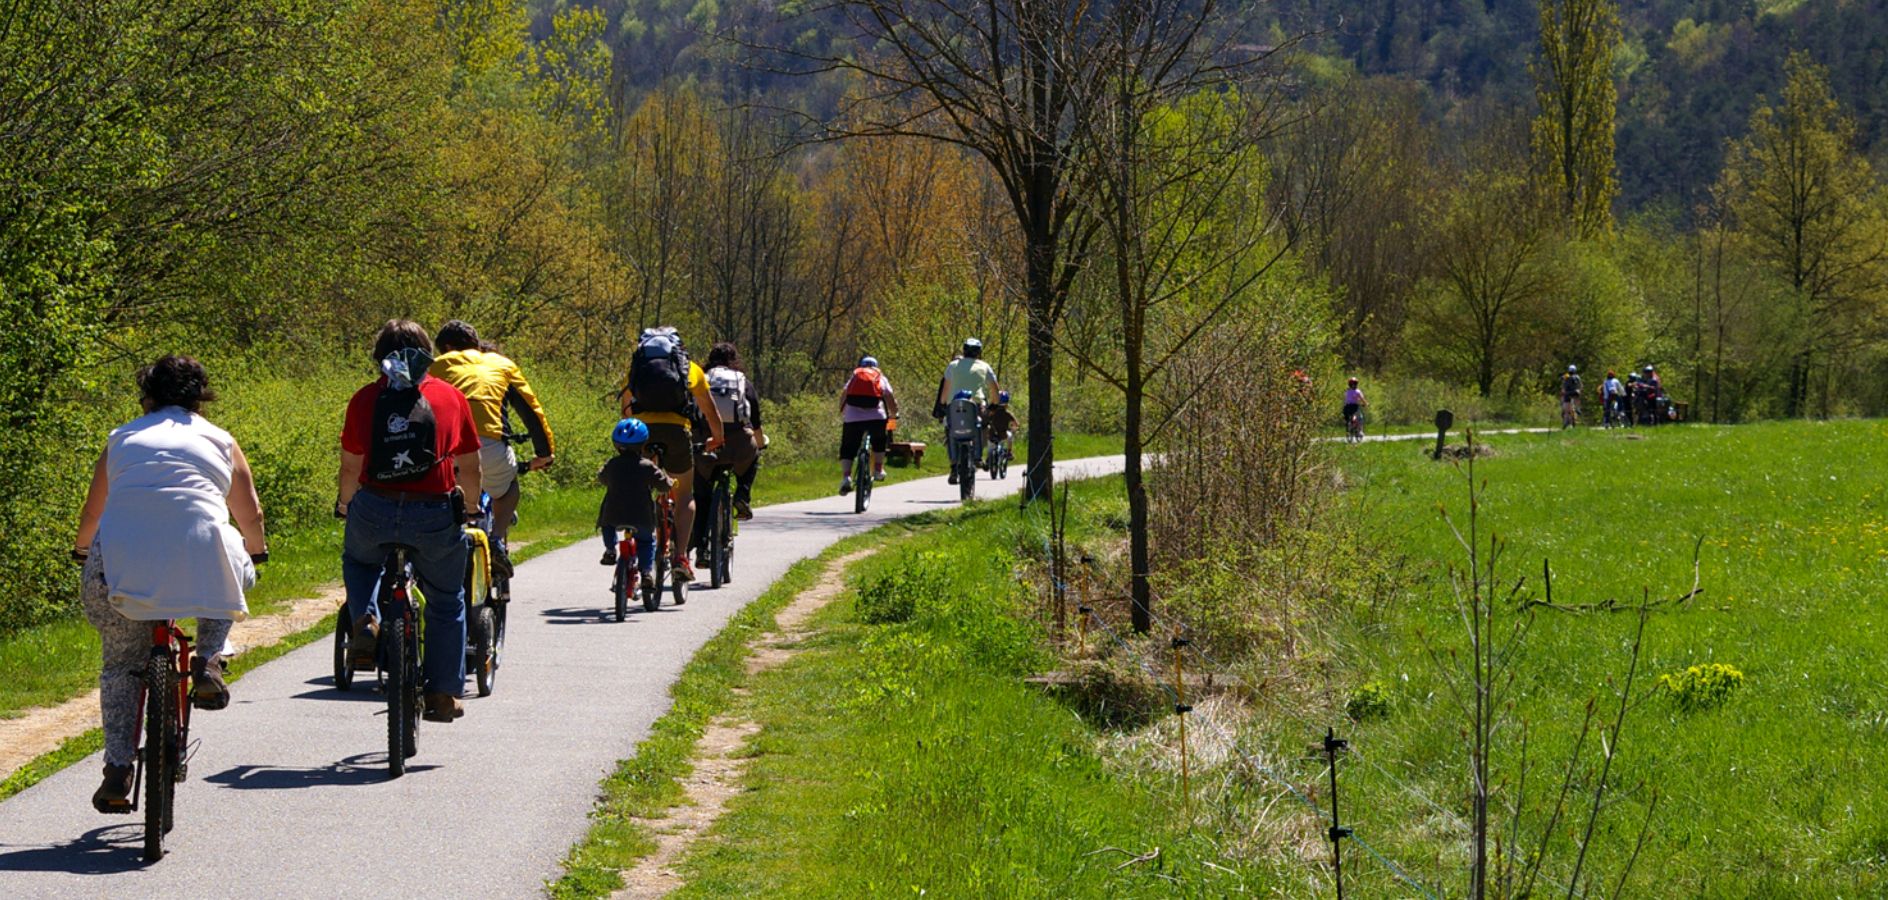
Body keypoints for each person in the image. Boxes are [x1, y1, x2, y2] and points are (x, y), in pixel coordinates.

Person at [73, 356, 268, 813]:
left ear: (147, 395)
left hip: (121, 564)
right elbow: (250, 514)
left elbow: (93, 513)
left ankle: (119, 769)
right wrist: (255, 554)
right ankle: (208, 658)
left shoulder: (121, 437)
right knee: (232, 561)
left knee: (121, 664)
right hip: (201, 556)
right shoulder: (220, 440)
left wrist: (82, 552)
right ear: (201, 397)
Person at [336, 320, 483, 724]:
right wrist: (470, 509)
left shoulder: (365, 399)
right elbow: (469, 467)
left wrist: (347, 506)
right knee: (445, 599)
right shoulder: (451, 398)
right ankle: (442, 694)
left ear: (378, 358)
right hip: (434, 513)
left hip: (375, 508)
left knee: (360, 561)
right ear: (427, 356)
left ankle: (366, 619)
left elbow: (351, 468)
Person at [429, 320, 555, 574]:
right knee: (508, 490)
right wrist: (545, 453)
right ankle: (497, 538)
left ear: (448, 347)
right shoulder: (502, 365)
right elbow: (531, 411)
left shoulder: (436, 366)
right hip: (488, 447)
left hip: (444, 450)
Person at [619, 326, 724, 583]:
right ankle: (680, 557)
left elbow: (625, 410)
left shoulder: (637, 369)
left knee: (641, 488)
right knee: (684, 493)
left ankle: (636, 551)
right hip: (677, 432)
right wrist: (717, 438)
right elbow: (709, 410)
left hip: (642, 432)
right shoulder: (690, 369)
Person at [697, 342, 764, 524]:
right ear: (734, 360)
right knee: (753, 455)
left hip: (707, 443)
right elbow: (755, 420)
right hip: (738, 444)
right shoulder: (742, 381)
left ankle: (700, 538)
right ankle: (742, 494)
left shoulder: (701, 378)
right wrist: (760, 444)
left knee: (701, 492)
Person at [598, 418, 669, 573]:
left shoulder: (612, 464)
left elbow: (602, 478)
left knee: (606, 524)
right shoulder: (647, 466)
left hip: (614, 514)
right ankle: (646, 573)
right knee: (645, 541)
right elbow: (662, 484)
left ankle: (610, 549)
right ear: (643, 443)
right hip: (641, 516)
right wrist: (671, 482)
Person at [936, 339, 999, 483]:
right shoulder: (985, 366)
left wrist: (943, 404)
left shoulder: (953, 366)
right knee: (983, 426)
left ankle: (953, 467)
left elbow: (945, 390)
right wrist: (994, 404)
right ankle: (977, 456)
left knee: (950, 431)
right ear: (979, 352)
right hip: (976, 404)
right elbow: (995, 389)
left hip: (955, 405)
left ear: (964, 350)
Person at [839, 356, 898, 495]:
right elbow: (889, 396)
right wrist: (894, 414)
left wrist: (842, 412)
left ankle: (846, 477)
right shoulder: (880, 377)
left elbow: (844, 395)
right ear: (876, 366)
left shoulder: (854, 376)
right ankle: (878, 469)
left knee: (848, 447)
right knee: (879, 441)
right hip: (876, 418)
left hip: (852, 418)